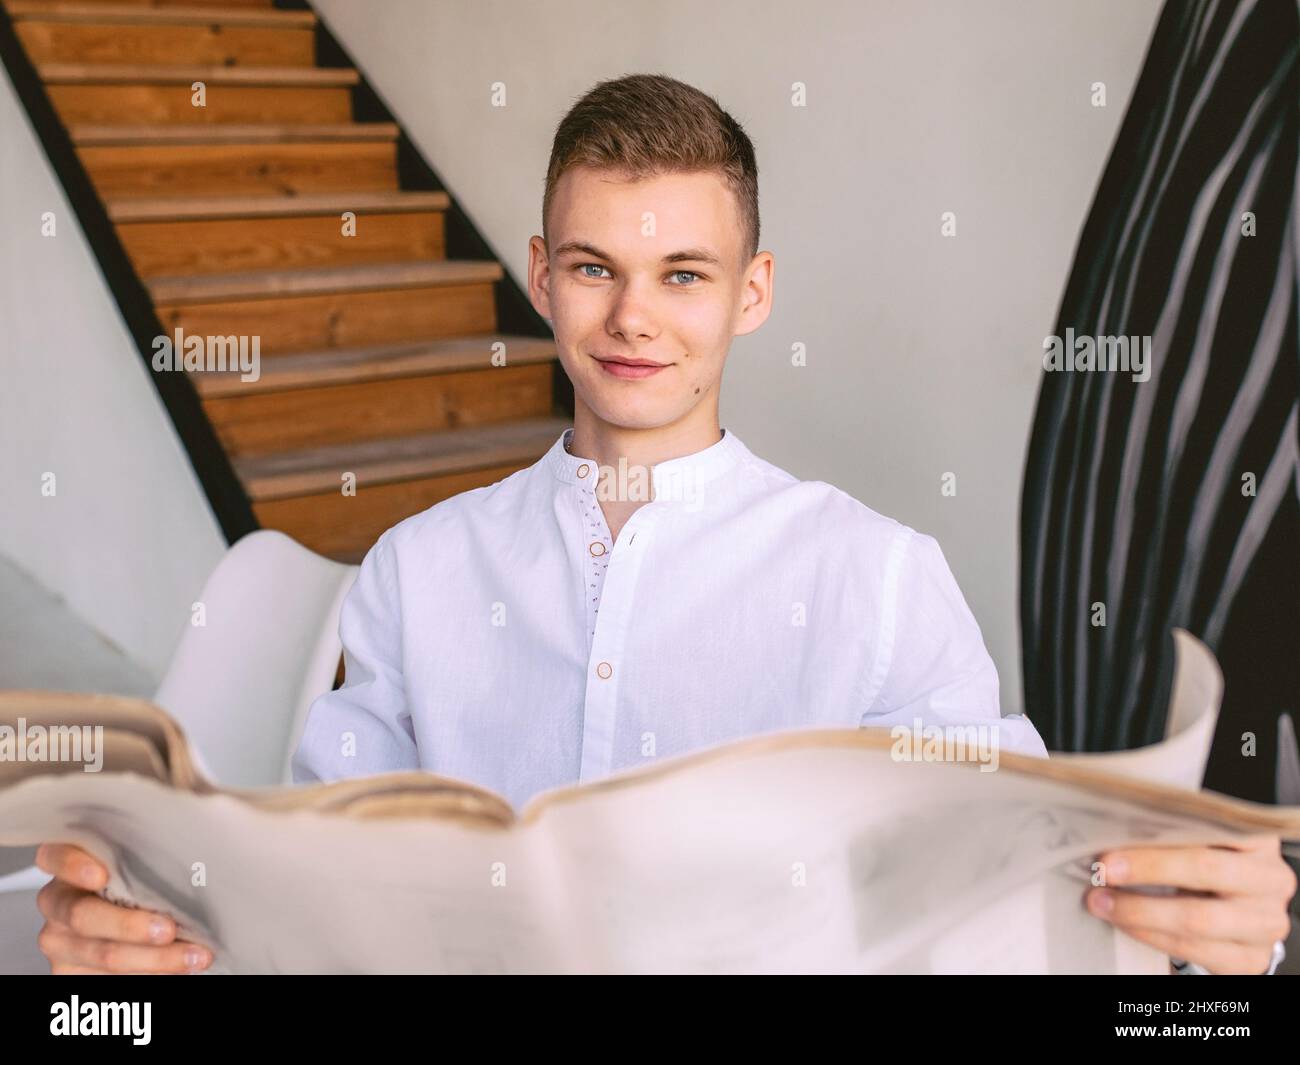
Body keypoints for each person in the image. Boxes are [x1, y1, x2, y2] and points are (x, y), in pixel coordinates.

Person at [35, 74, 1294, 975]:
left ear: (751, 294)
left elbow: (1018, 888)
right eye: (595, 268)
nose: (634, 317)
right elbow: (315, 908)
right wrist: (142, 970)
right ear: (541, 276)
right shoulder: (418, 573)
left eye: (682, 275)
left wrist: (1191, 962)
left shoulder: (879, 577)